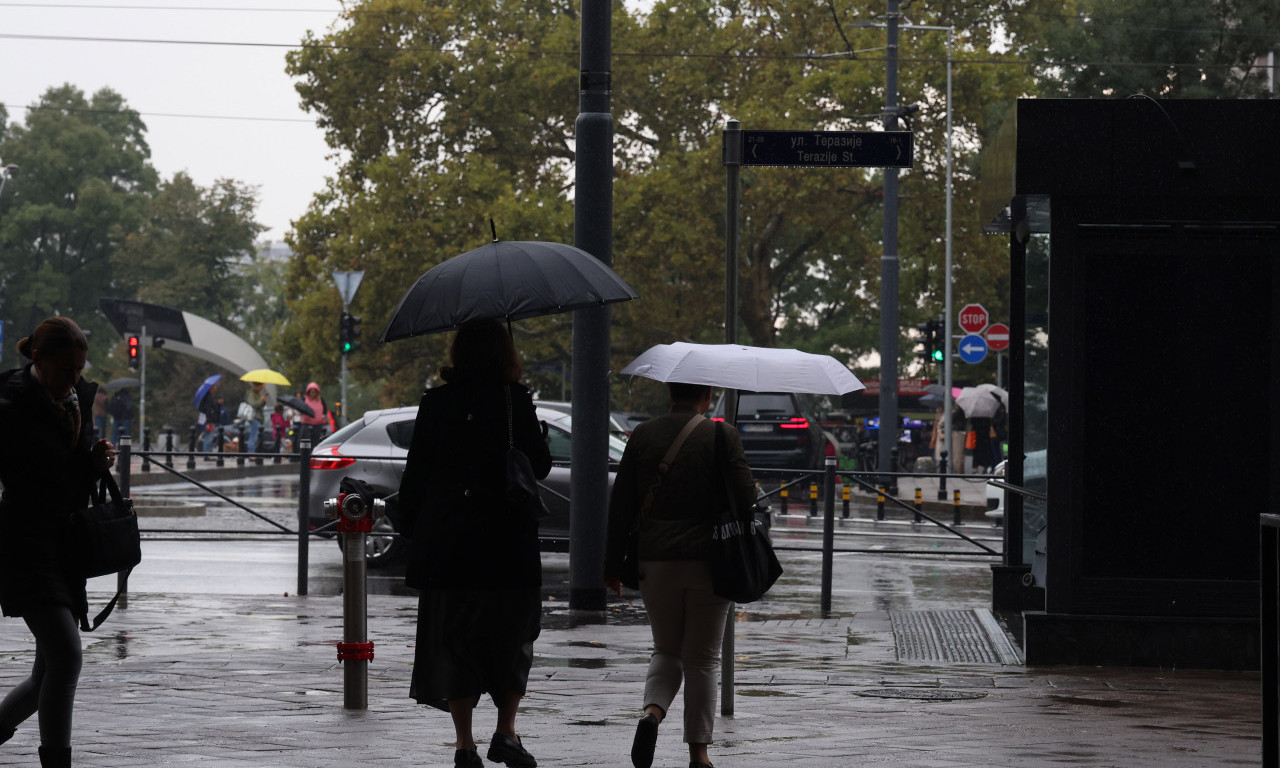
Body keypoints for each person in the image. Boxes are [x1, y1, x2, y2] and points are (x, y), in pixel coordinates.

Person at [395, 319, 551, 768]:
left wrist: (412, 526)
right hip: (507, 543)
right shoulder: (514, 401)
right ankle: (506, 731)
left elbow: (416, 474)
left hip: (449, 545)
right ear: (506, 353)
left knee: (455, 642)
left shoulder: (436, 402)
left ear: (458, 353)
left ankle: (465, 744)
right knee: (514, 637)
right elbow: (539, 467)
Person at [604, 382, 757, 768]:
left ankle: (651, 714)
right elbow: (746, 499)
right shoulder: (722, 435)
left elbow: (621, 503)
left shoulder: (643, 434)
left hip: (655, 560)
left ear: (671, 392)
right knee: (702, 659)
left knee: (666, 648)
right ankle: (699, 755)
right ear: (706, 396)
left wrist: (612, 565)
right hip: (710, 560)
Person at [0, 316, 117, 768]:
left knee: (47, 671)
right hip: (25, 544)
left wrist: (95, 460)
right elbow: (37, 476)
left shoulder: (75, 400)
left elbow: (71, 472)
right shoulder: (11, 404)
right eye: (66, 369)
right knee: (66, 658)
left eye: (80, 369)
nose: (74, 378)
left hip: (64, 546)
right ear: (38, 359)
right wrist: (82, 466)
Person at [298, 382, 330, 447]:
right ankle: (304, 451)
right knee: (305, 441)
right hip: (306, 424)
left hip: (318, 425)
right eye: (311, 392)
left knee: (315, 441)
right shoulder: (304, 399)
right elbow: (300, 409)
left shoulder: (321, 400)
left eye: (314, 392)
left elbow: (325, 410)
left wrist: (325, 417)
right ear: (308, 392)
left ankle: (314, 451)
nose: (312, 393)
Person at [242, 382, 267, 454]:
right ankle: (251, 452)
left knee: (256, 435)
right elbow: (253, 404)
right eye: (260, 387)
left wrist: (263, 401)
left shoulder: (257, 394)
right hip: (254, 417)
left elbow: (259, 405)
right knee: (254, 436)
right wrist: (261, 400)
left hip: (258, 417)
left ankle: (253, 452)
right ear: (256, 386)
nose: (261, 389)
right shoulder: (251, 394)